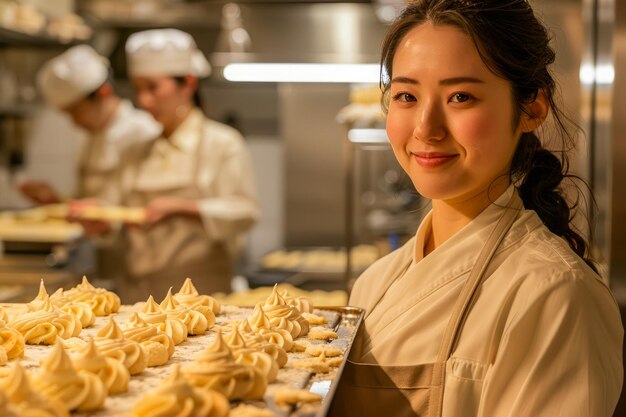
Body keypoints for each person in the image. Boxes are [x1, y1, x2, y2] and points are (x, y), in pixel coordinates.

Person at [330, 1, 623, 416]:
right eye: (407, 95)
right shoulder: (374, 283)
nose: (425, 128)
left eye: (460, 96)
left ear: (531, 108)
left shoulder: (554, 295)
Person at [114, 28, 259, 302]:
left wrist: (182, 208)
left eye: (153, 87)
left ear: (188, 83)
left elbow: (246, 211)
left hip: (200, 297)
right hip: (136, 298)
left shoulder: (222, 143)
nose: (144, 100)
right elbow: (124, 221)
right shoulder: (136, 150)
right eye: (138, 89)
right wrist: (105, 219)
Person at [23, 44, 161, 205]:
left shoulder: (144, 132)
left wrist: (105, 218)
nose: (74, 123)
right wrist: (56, 202)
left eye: (76, 111)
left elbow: (147, 209)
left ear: (104, 92)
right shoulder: (90, 136)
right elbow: (87, 203)